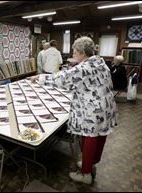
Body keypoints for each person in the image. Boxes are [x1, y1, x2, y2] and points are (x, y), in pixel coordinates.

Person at [30, 37, 117, 184]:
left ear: (83, 53)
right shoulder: (101, 62)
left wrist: (39, 78)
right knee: (99, 137)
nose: (73, 54)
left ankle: (85, 174)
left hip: (93, 110)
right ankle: (90, 164)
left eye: (75, 51)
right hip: (105, 107)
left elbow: (63, 79)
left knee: (89, 139)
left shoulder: (84, 67)